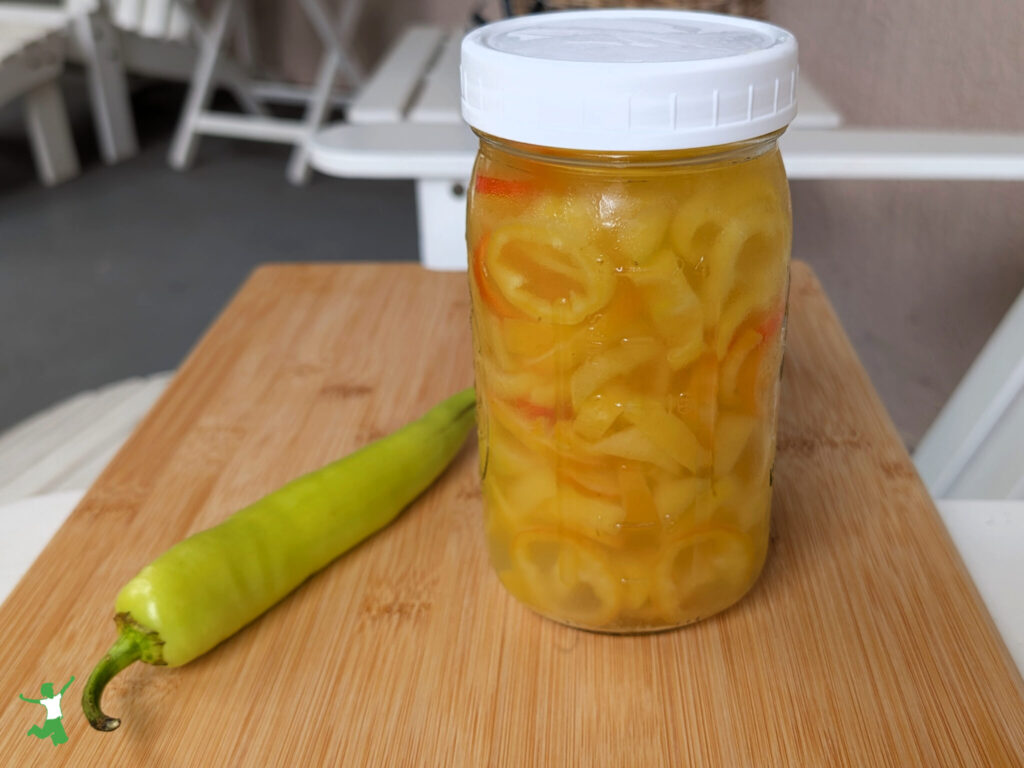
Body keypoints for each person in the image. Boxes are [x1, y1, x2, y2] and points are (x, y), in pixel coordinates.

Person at [18, 676, 75, 746]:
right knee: (43, 735)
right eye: (49, 690)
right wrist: (23, 698)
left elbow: (64, 689)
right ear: (46, 693)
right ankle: (34, 729)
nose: (51, 691)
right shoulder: (46, 701)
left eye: (51, 690)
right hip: (50, 721)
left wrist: (70, 681)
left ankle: (54, 737)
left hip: (57, 720)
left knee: (64, 738)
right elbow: (34, 701)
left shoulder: (57, 698)